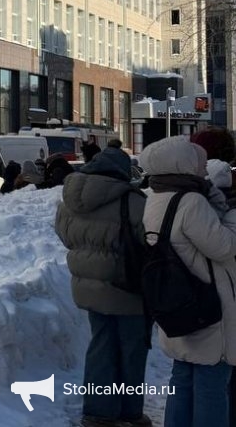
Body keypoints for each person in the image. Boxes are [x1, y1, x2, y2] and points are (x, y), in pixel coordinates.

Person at [139, 135, 236, 427]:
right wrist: (232, 216)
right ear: (183, 163)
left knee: (182, 379)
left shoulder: (157, 196)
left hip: (179, 301)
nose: (204, 168)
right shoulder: (192, 202)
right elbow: (224, 247)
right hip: (208, 304)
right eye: (199, 162)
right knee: (212, 384)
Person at [54, 143, 150, 427]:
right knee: (132, 350)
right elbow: (149, 240)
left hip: (88, 287)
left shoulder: (69, 201)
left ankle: (98, 412)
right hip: (127, 287)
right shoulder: (133, 201)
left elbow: (66, 237)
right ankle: (129, 412)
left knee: (101, 346)